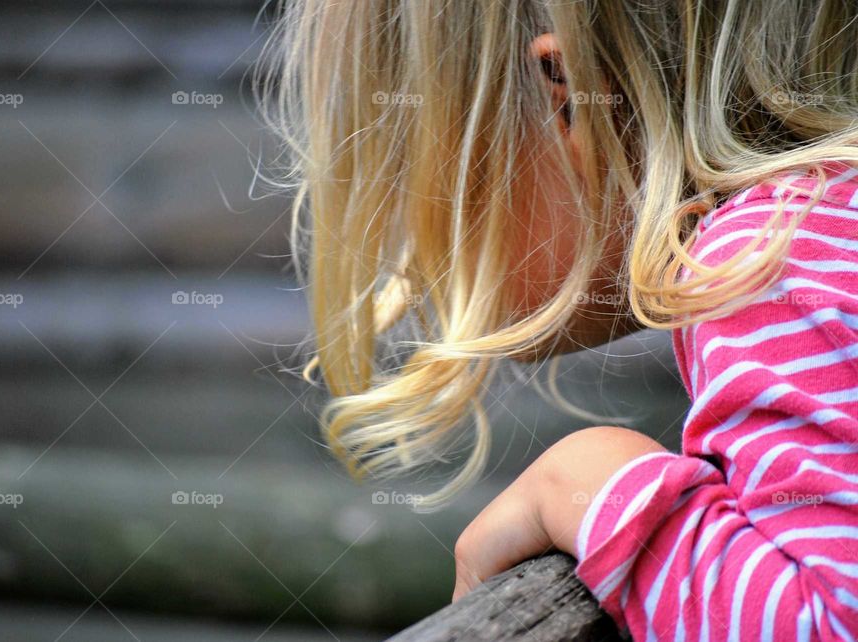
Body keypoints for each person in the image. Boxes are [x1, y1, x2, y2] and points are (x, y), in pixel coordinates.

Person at [259, 1, 858, 638]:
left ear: (568, 99)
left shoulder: (766, 264)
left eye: (415, 165)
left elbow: (829, 622)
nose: (409, 236)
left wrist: (593, 481)